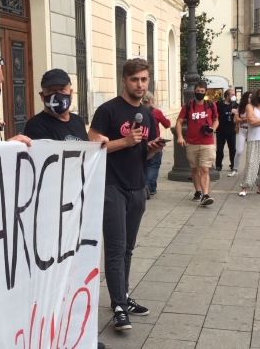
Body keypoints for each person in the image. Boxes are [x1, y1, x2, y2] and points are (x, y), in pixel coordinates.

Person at [23, 68, 109, 349]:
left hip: (74, 209)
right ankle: (51, 335)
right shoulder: (36, 126)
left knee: (74, 274)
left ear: (72, 92)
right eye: (51, 92)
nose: (58, 96)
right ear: (42, 96)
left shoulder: (77, 121)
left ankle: (76, 335)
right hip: (50, 213)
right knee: (52, 278)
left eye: (63, 90)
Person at [88, 58, 164, 331]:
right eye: (135, 80)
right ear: (124, 80)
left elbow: (143, 151)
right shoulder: (108, 110)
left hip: (137, 186)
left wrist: (152, 148)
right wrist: (124, 141)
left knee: (128, 248)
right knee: (116, 248)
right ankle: (119, 304)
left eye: (144, 79)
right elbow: (91, 146)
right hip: (111, 186)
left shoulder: (148, 114)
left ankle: (122, 296)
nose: (140, 84)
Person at [176, 81, 219, 205]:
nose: (199, 93)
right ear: (194, 91)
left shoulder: (211, 105)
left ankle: (205, 195)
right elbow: (179, 121)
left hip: (207, 142)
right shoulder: (188, 106)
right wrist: (180, 136)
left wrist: (213, 129)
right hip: (192, 142)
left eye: (202, 91)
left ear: (206, 92)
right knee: (194, 168)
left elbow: (216, 120)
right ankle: (197, 191)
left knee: (205, 169)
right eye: (198, 91)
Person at [141, 91, 171, 196]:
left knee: (144, 165)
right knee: (154, 165)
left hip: (141, 142)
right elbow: (167, 124)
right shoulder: (156, 112)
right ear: (152, 101)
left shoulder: (138, 112)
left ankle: (151, 188)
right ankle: (148, 186)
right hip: (155, 143)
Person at [215, 89, 237, 172]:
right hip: (221, 130)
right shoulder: (219, 104)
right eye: (232, 94)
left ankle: (233, 165)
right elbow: (218, 114)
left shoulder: (235, 104)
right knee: (220, 149)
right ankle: (218, 165)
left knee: (232, 149)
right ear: (227, 96)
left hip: (231, 129)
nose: (233, 96)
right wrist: (229, 111)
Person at [230, 91, 251, 177]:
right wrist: (246, 119)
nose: (250, 99)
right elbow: (235, 120)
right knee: (239, 151)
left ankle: (251, 171)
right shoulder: (241, 107)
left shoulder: (255, 107)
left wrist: (243, 119)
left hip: (251, 131)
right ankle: (235, 169)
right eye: (249, 97)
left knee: (251, 152)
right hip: (242, 130)